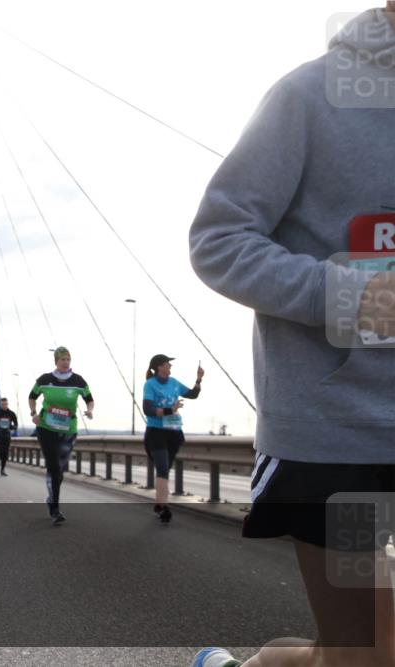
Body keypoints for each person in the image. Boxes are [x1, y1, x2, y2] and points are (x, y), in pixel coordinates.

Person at [187, 5, 395, 666]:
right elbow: (217, 240)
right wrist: (349, 294)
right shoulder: (308, 96)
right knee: (357, 655)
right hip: (340, 438)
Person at [29, 347, 94, 525]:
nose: (66, 362)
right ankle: (55, 508)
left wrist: (89, 410)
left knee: (60, 468)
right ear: (56, 361)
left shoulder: (78, 381)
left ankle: (51, 498)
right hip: (46, 428)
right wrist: (33, 413)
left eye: (68, 359)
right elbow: (32, 396)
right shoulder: (45, 379)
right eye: (63, 359)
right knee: (53, 467)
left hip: (68, 430)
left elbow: (89, 398)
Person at [141, 354, 203, 523]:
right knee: (162, 468)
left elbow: (192, 394)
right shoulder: (150, 385)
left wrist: (198, 380)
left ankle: (159, 504)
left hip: (174, 432)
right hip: (156, 432)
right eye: (168, 363)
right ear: (160, 366)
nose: (170, 366)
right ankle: (164, 507)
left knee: (164, 470)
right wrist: (170, 409)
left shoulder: (174, 382)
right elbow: (148, 409)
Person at [0, 397, 18, 476]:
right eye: (2, 404)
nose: (4, 406)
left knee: (5, 453)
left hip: (7, 435)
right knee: (0, 451)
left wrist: (13, 428)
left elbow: (15, 424)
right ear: (0, 404)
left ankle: (2, 470)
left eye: (5, 404)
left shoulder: (11, 413)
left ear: (7, 404)